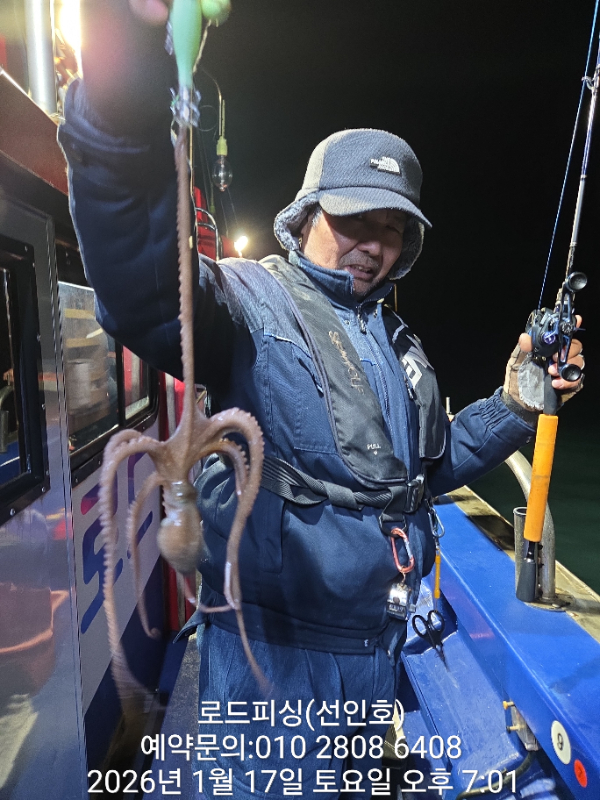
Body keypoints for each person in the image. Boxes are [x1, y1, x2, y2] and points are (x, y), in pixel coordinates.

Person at [58, 2, 584, 797]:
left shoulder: (399, 343)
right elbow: (141, 282)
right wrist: (124, 88)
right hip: (271, 668)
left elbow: (428, 469)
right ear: (305, 216)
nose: (373, 244)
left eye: (393, 228)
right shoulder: (245, 300)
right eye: (353, 219)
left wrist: (516, 403)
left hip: (377, 657)